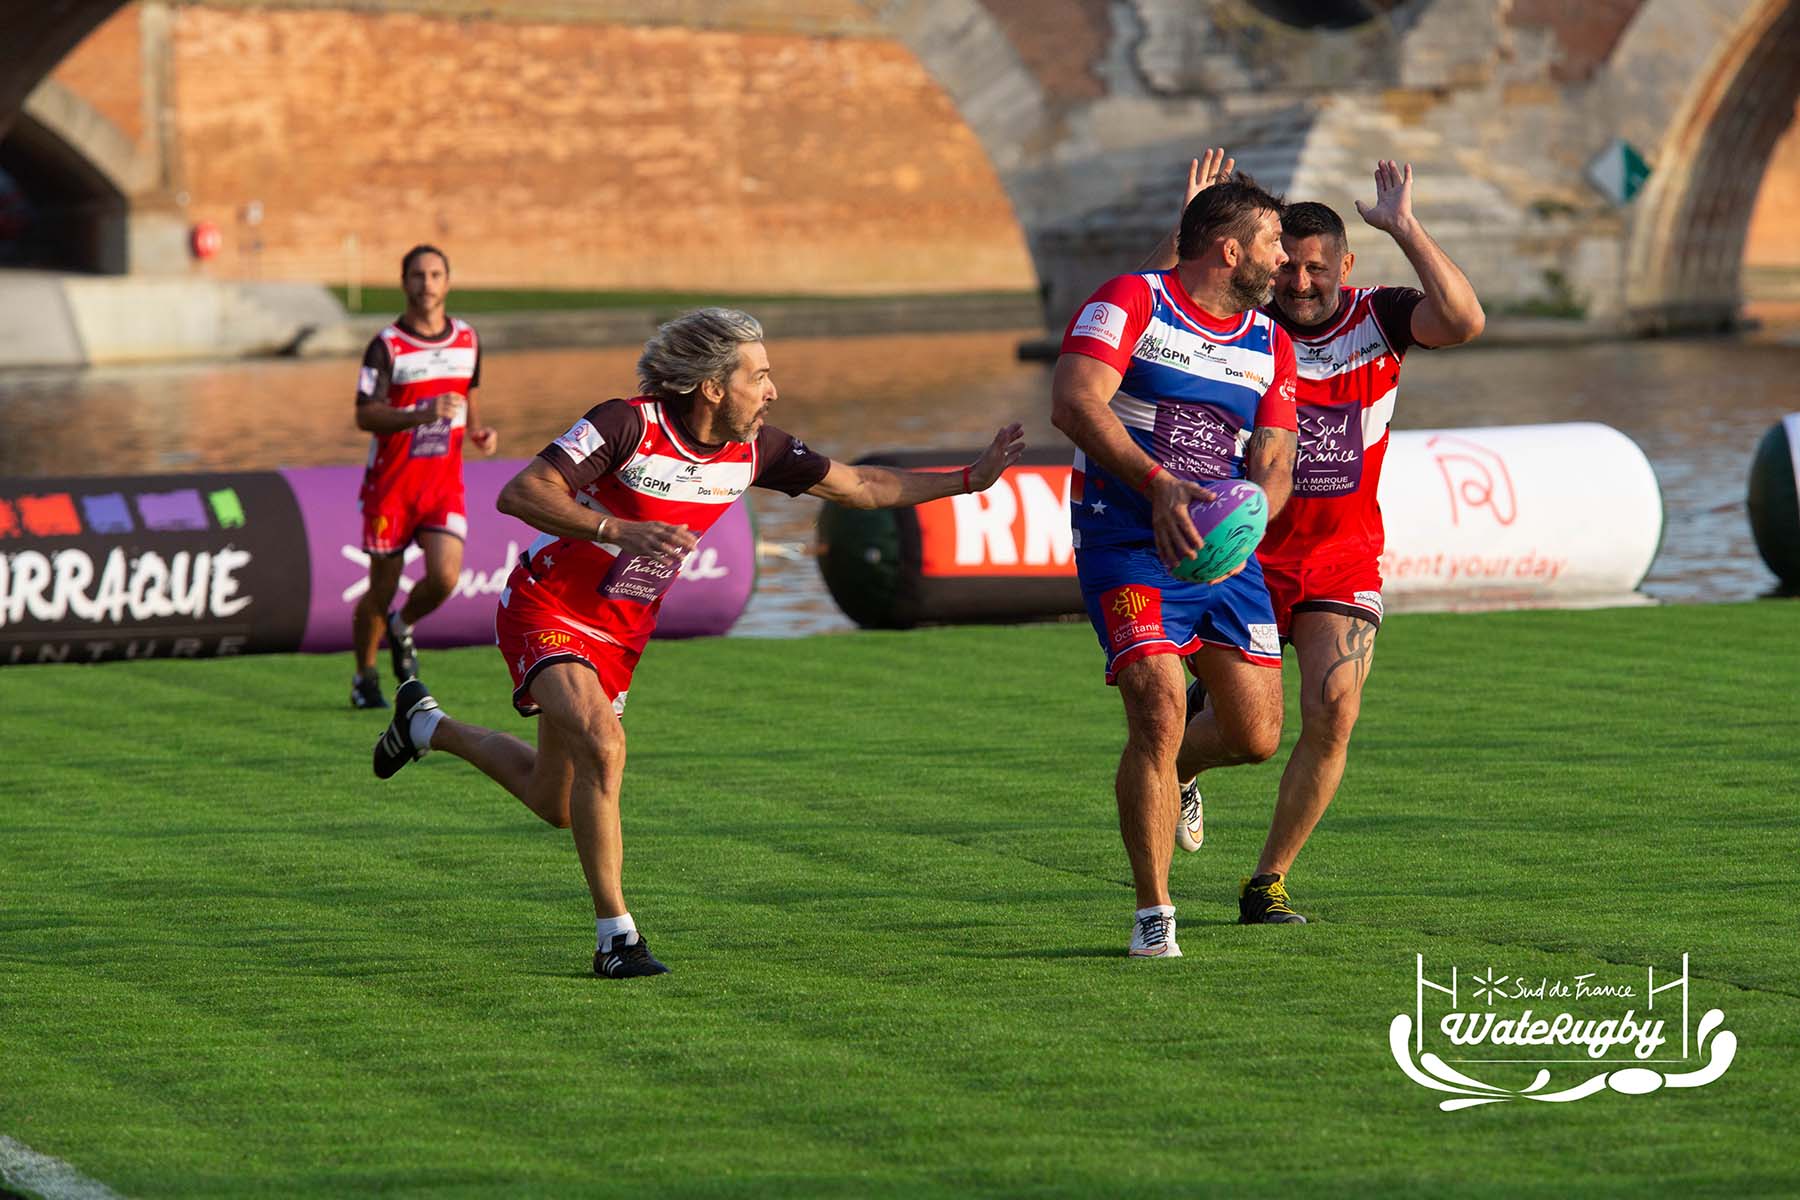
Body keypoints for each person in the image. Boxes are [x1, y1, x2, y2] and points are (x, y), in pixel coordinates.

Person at [371, 307, 1026, 979]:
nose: (772, 390)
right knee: (604, 742)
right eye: (760, 376)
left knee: (556, 803)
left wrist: (966, 480)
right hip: (548, 606)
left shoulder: (757, 449)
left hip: (623, 631)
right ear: (712, 386)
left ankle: (427, 726)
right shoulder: (625, 422)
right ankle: (616, 939)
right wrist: (617, 531)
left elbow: (861, 484)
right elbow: (523, 491)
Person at [1143, 153, 1485, 923]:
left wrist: (1406, 224)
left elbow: (1464, 321)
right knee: (1241, 736)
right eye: (1286, 267)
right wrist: (1191, 230)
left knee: (1334, 708)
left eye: (1315, 268)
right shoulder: (1240, 327)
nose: (1300, 282)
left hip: (1341, 555)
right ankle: (1186, 767)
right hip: (1243, 557)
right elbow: (1150, 308)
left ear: (1344, 264)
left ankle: (1266, 884)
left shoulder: (1380, 317)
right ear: (1265, 265)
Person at [1052, 173, 1298, 959]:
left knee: (1257, 736)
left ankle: (1183, 772)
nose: (1286, 261)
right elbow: (1075, 401)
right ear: (1231, 251)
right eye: (1274, 243)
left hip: (1224, 557)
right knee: (1157, 707)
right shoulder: (1133, 299)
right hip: (1127, 541)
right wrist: (1158, 487)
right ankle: (1154, 913)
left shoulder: (1270, 342)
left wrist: (1253, 512)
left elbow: (1276, 458)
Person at [349, 244, 498, 709]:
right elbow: (365, 415)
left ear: (448, 283)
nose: (427, 284)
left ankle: (403, 625)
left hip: (442, 484)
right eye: (418, 275)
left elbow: (467, 390)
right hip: (391, 489)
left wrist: (477, 431)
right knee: (381, 589)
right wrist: (419, 414)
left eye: (435, 275)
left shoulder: (468, 339)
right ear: (404, 283)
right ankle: (365, 675)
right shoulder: (387, 345)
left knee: (445, 578)